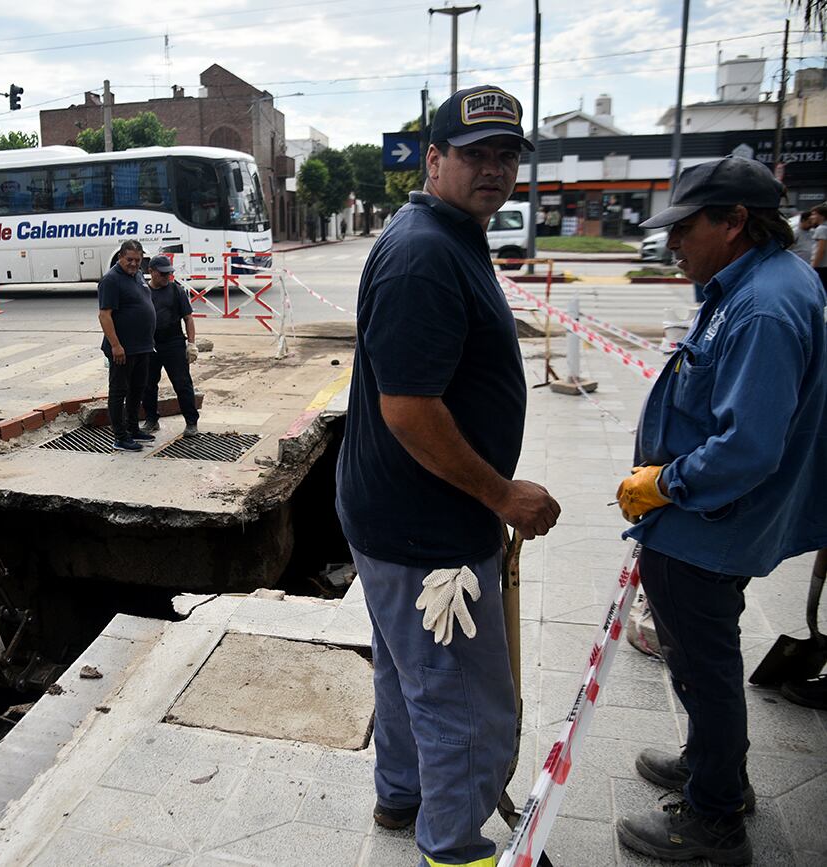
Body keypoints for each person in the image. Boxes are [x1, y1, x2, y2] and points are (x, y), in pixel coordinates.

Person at [334, 85, 561, 867]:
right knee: (464, 701)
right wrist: (502, 494)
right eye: (474, 154)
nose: (493, 169)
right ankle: (453, 847)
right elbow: (408, 409)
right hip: (428, 528)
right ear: (434, 159)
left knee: (407, 670)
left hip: (401, 514)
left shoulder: (444, 232)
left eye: (506, 155)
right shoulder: (426, 254)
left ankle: (401, 798)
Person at [613, 156, 827, 865]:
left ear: (735, 222)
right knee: (702, 657)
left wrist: (663, 484)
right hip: (716, 517)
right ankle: (715, 764)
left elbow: (748, 447)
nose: (675, 244)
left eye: (687, 228)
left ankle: (714, 814)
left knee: (702, 663)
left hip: (706, 522)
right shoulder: (757, 281)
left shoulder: (764, 304)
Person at [97, 240, 155, 452]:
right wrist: (116, 345)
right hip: (122, 349)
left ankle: (133, 428)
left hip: (142, 346)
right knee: (119, 391)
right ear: (120, 257)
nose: (133, 264)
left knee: (137, 388)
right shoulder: (111, 280)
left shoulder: (138, 275)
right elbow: (105, 315)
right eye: (129, 260)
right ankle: (120, 437)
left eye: (137, 260)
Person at [140, 254, 200, 437]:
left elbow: (188, 318)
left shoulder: (176, 291)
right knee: (148, 384)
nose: (167, 277)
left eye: (169, 274)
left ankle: (191, 422)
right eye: (162, 274)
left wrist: (191, 344)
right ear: (151, 272)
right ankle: (151, 419)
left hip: (173, 342)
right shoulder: (142, 292)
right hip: (150, 344)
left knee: (182, 383)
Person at [809, 203, 827, 287]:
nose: (811, 217)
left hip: (821, 267)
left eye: (814, 214)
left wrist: (813, 267)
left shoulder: (821, 229)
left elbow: (821, 250)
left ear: (822, 216)